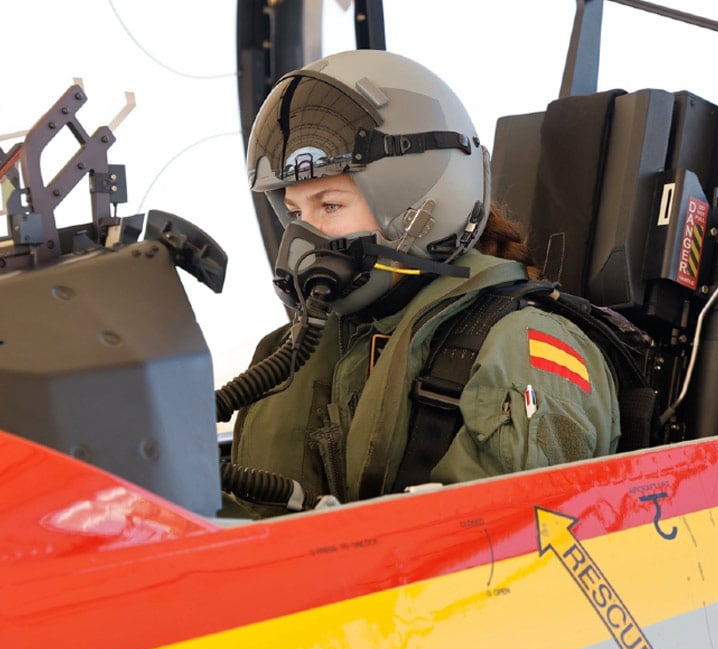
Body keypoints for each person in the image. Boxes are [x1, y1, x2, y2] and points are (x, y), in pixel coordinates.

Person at [226, 49, 619, 517]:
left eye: (329, 206)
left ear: (421, 207)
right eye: (294, 213)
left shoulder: (523, 353)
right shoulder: (295, 350)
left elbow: (505, 559)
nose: (303, 236)